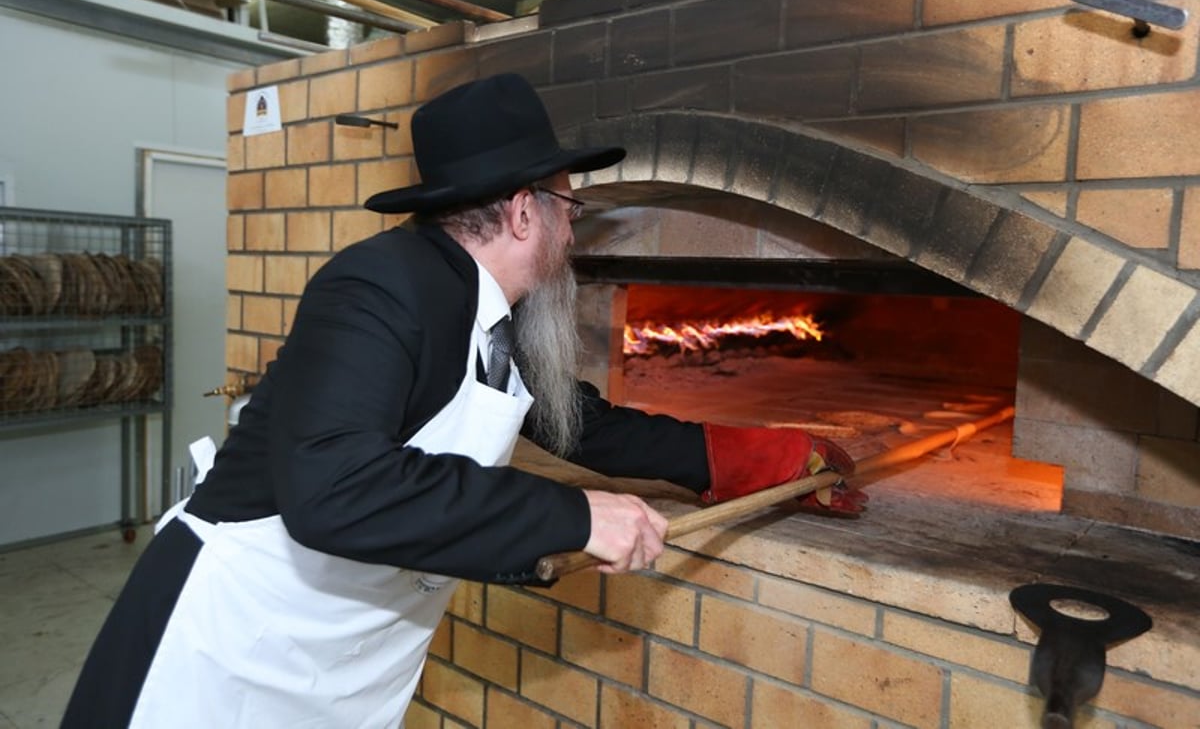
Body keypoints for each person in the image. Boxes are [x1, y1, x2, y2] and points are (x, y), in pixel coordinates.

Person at [62, 72, 865, 728]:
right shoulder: (375, 287)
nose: (573, 235)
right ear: (524, 212)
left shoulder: (494, 316)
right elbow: (335, 489)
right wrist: (577, 516)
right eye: (569, 209)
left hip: (334, 659)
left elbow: (578, 422)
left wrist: (746, 458)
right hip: (227, 651)